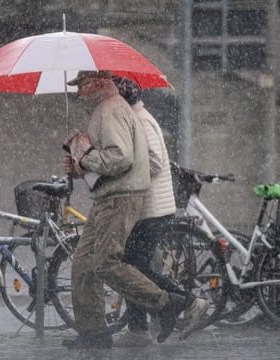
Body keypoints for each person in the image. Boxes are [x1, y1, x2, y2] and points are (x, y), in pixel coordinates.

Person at [61, 70, 198, 349]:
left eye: (82, 85)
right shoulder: (105, 110)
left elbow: (120, 157)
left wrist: (85, 158)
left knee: (106, 265)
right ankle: (94, 334)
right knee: (84, 266)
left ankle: (167, 304)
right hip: (107, 196)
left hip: (118, 198)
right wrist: (79, 166)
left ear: (99, 83)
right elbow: (112, 159)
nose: (78, 93)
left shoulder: (110, 110)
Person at [111, 76, 209, 347]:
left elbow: (153, 161)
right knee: (131, 265)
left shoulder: (140, 121)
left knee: (134, 267)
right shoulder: (136, 117)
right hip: (147, 207)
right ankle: (138, 327)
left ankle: (187, 302)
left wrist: (126, 176)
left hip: (151, 208)